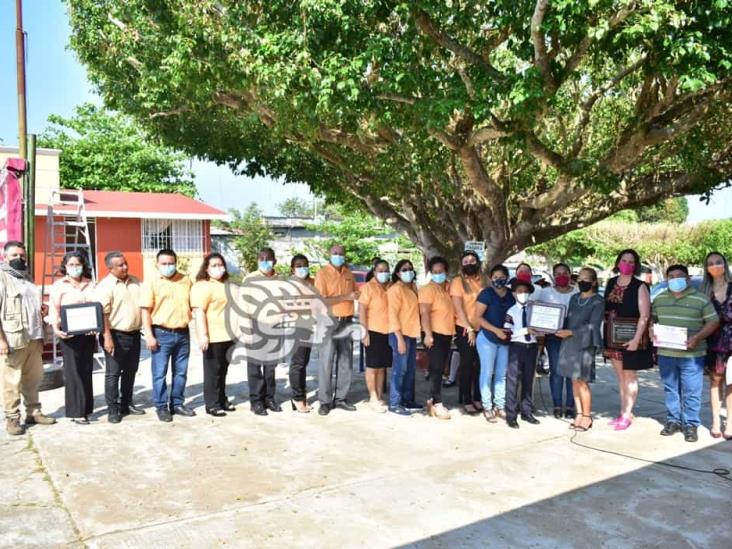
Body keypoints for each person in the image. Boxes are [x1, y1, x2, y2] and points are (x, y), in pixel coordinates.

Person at [652, 264, 719, 442]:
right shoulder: (659, 299)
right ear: (667, 279)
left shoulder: (701, 299)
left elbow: (713, 322)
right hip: (666, 353)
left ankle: (691, 424)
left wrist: (697, 337)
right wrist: (652, 330)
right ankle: (673, 421)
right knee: (670, 389)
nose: (675, 279)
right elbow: (652, 319)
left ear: (688, 279)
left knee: (692, 391)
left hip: (693, 356)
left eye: (679, 276)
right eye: (671, 276)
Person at [0, 241, 56, 435]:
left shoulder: (27, 278)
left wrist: (44, 309)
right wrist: (1, 341)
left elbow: (32, 306)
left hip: (34, 338)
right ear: (5, 257)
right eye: (14, 255)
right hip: (13, 340)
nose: (19, 258)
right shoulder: (2, 278)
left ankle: (33, 412)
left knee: (33, 379)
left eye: (22, 255)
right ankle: (12, 419)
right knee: (11, 382)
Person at [140, 248, 194, 422]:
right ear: (157, 264)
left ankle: (177, 403)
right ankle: (161, 406)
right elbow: (145, 310)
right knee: (159, 373)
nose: (168, 266)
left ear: (176, 263)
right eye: (164, 264)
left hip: (183, 333)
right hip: (161, 333)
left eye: (171, 263)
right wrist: (149, 335)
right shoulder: (151, 282)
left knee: (181, 372)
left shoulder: (186, 280)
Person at [603, 249, 653, 431]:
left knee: (630, 376)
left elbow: (645, 316)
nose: (627, 264)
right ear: (618, 263)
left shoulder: (640, 286)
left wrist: (636, 339)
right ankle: (624, 411)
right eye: (624, 260)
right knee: (620, 377)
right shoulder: (610, 283)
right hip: (612, 338)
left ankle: (626, 414)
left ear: (636, 265)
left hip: (632, 339)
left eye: (631, 261)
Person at [96, 251, 144, 423]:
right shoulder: (105, 286)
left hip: (135, 334)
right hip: (114, 335)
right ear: (110, 268)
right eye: (120, 265)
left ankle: (127, 403)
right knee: (113, 373)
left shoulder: (136, 282)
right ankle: (113, 408)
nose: (125, 267)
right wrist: (107, 337)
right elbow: (103, 314)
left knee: (131, 371)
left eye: (125, 263)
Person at [50, 251, 98, 425]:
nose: (75, 268)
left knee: (86, 369)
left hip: (88, 334)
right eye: (71, 265)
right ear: (65, 266)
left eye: (78, 264)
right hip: (68, 334)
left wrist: (96, 327)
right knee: (73, 372)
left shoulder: (91, 284)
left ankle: (86, 408)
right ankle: (76, 412)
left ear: (83, 266)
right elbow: (53, 309)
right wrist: (56, 328)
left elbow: (97, 307)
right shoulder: (59, 286)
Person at [556, 267, 605, 432]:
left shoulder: (598, 300)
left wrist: (571, 332)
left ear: (593, 282)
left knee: (582, 381)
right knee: (573, 380)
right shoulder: (574, 298)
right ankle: (578, 413)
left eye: (586, 280)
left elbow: (594, 326)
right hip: (568, 343)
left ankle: (587, 416)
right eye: (580, 279)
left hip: (585, 343)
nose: (582, 282)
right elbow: (567, 319)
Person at [314, 244, 359, 416]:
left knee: (345, 361)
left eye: (341, 253)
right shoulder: (322, 273)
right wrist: (346, 297)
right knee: (326, 361)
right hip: (329, 322)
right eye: (335, 253)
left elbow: (356, 292)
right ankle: (325, 401)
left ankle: (341, 398)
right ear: (329, 254)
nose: (338, 256)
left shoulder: (349, 273)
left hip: (347, 321)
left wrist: (356, 295)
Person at [192, 253, 235, 417]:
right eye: (214, 265)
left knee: (223, 370)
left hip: (228, 335)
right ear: (206, 268)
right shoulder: (202, 286)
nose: (219, 268)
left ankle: (222, 399)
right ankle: (212, 404)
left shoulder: (226, 284)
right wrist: (203, 335)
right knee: (212, 372)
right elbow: (199, 312)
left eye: (220, 264)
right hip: (213, 335)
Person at [243, 248, 283, 416]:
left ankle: (269, 398)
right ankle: (256, 401)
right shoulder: (249, 279)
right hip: (255, 325)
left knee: (270, 367)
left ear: (275, 260)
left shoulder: (280, 279)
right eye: (262, 258)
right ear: (258, 260)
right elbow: (242, 307)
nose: (265, 261)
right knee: (255, 367)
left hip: (274, 327)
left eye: (268, 258)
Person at [474, 265, 515, 423]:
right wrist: (496, 330)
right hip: (487, 339)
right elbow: (478, 317)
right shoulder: (486, 294)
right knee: (487, 373)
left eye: (502, 276)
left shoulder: (511, 295)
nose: (499, 279)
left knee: (501, 375)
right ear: (491, 278)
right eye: (495, 277)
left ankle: (500, 406)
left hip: (505, 341)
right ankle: (487, 407)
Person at [539, 263, 578, 419]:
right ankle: (557, 404)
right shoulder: (545, 292)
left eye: (564, 273)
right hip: (552, 334)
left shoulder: (577, 292)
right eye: (558, 273)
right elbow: (537, 311)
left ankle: (569, 406)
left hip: (571, 334)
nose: (561, 276)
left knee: (570, 372)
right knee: (556, 370)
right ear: (553, 276)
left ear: (570, 274)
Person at [419, 256, 455, 420]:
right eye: (434, 272)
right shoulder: (428, 289)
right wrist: (428, 334)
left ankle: (432, 402)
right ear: (430, 273)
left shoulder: (446, 288)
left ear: (446, 272)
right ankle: (435, 402)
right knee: (436, 369)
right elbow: (424, 313)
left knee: (439, 368)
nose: (438, 274)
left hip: (446, 334)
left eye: (441, 271)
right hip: (434, 334)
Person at [503, 278, 541, 429]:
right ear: (513, 294)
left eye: (526, 292)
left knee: (528, 380)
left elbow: (541, 326)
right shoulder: (511, 311)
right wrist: (526, 330)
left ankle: (527, 411)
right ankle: (511, 415)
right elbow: (508, 332)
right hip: (516, 347)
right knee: (513, 381)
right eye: (519, 292)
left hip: (531, 347)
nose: (523, 294)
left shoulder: (534, 309)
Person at [701, 252, 732, 439]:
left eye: (718, 262)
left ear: (725, 264)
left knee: (731, 384)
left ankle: (730, 423)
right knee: (715, 382)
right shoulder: (704, 291)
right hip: (712, 343)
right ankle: (715, 421)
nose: (715, 266)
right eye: (711, 263)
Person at [449, 251, 483, 414]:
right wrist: (469, 328)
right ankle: (466, 399)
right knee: (467, 363)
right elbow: (458, 307)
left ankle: (478, 397)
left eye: (473, 260)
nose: (469, 263)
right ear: (461, 264)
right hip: (464, 328)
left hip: (482, 328)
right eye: (466, 261)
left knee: (480, 364)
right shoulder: (457, 282)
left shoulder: (484, 281)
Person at [387, 259, 421, 416]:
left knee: (410, 369)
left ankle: (408, 400)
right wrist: (399, 338)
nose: (408, 271)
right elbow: (392, 315)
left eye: (410, 268)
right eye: (404, 269)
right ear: (398, 273)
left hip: (412, 333)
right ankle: (395, 402)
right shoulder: (395, 290)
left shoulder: (413, 287)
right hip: (399, 334)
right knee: (400, 369)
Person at [359, 258, 391, 413]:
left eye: (386, 270)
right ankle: (372, 397)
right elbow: (362, 310)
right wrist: (363, 331)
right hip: (372, 331)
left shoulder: (390, 287)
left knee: (382, 366)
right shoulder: (368, 288)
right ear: (374, 271)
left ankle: (379, 395)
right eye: (380, 270)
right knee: (372, 366)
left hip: (388, 331)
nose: (384, 273)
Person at [289, 254, 315, 413]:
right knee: (297, 363)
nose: (302, 268)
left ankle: (302, 396)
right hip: (295, 326)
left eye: (304, 265)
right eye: (298, 265)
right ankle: (297, 397)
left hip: (309, 326)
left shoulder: (311, 282)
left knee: (304, 362)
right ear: (292, 268)